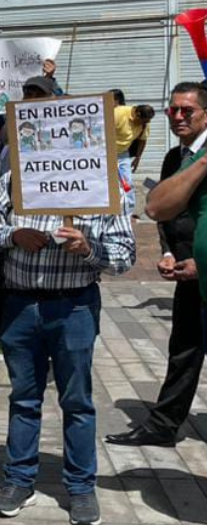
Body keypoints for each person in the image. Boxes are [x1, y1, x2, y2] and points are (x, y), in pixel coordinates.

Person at [0, 165, 135, 524]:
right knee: (23, 397)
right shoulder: (15, 178)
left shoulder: (106, 182)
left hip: (75, 306)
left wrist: (89, 248)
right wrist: (14, 235)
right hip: (20, 305)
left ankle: (81, 487)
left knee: (77, 401)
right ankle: (19, 481)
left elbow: (125, 255)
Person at [107, 83, 207, 448]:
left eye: (187, 110)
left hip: (203, 267)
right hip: (187, 274)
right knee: (184, 350)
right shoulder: (173, 158)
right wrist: (167, 253)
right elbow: (164, 213)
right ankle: (163, 425)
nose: (178, 117)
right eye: (172, 110)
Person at [114, 102, 155, 215]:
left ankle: (128, 212)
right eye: (144, 121)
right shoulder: (118, 113)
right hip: (106, 154)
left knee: (127, 183)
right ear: (137, 114)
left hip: (123, 154)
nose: (146, 124)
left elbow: (142, 140)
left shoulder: (145, 123)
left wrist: (138, 158)